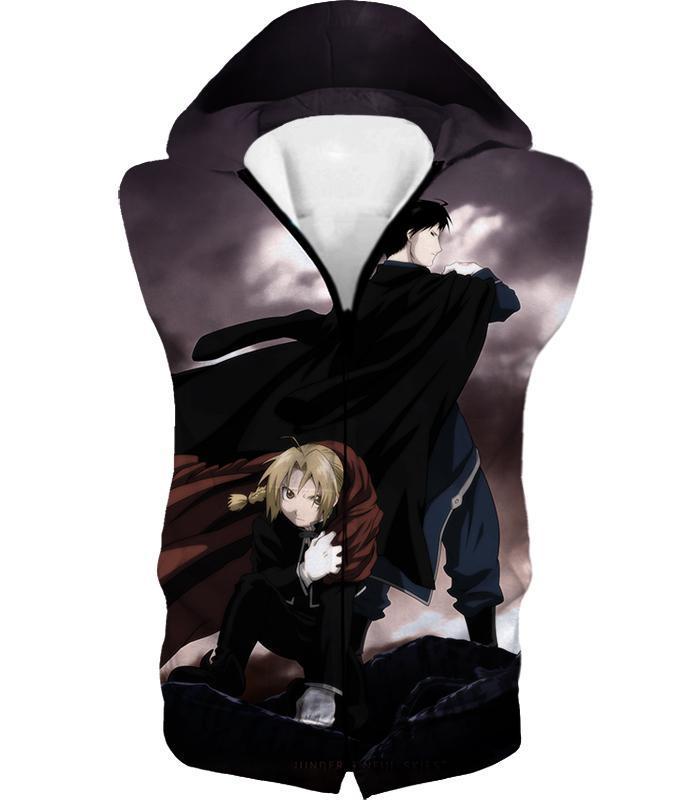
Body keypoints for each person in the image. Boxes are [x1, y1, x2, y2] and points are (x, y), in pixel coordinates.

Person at [350, 200, 521, 650]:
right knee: (470, 535)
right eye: (432, 235)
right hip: (437, 441)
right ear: (411, 234)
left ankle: (342, 665)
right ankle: (485, 653)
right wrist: (475, 273)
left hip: (385, 443)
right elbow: (506, 302)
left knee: (380, 547)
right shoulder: (439, 292)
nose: (438, 247)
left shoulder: (362, 298)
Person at [168, 441, 382, 731]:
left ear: (332, 499)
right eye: (289, 494)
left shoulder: (347, 539)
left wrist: (325, 687)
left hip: (329, 639)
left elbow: (340, 608)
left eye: (313, 498)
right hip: (282, 623)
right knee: (253, 586)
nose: (297, 508)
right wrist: (304, 573)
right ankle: (225, 672)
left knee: (353, 715)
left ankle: (318, 689)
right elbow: (267, 578)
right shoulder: (269, 528)